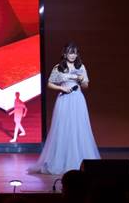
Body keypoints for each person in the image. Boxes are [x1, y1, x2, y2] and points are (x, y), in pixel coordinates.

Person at [28, 42, 100, 175]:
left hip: (78, 100)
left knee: (79, 128)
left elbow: (86, 86)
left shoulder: (81, 67)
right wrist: (61, 88)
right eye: (70, 53)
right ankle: (61, 161)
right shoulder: (59, 67)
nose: (72, 55)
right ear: (65, 54)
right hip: (64, 100)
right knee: (63, 128)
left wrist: (82, 80)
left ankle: (80, 161)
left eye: (75, 53)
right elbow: (49, 83)